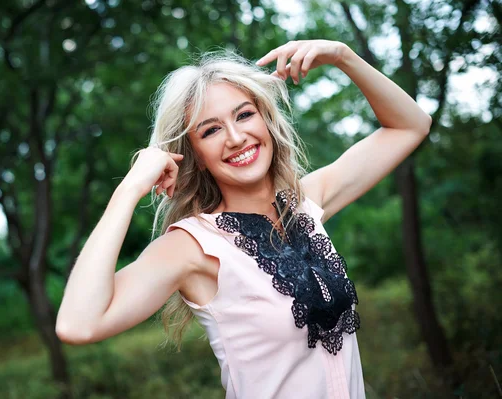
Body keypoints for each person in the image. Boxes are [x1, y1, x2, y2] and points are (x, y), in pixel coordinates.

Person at [56, 40, 432, 399]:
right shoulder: (192, 245)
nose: (236, 137)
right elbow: (78, 324)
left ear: (266, 120)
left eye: (244, 114)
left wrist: (343, 56)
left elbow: (410, 126)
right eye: (211, 130)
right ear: (195, 154)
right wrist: (130, 187)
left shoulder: (307, 203)